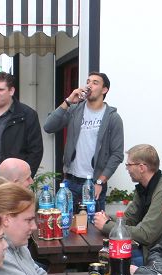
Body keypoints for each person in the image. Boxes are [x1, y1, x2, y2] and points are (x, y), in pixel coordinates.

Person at [43, 72, 124, 212]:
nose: (89, 85)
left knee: (93, 223)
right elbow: (49, 127)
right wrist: (68, 101)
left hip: (94, 183)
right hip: (70, 181)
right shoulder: (74, 110)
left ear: (104, 90)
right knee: (66, 221)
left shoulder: (112, 118)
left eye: (95, 82)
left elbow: (117, 154)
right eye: (88, 82)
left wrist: (100, 181)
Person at [93, 144, 162, 266]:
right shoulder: (144, 187)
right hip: (144, 250)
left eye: (129, 165)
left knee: (107, 258)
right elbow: (129, 219)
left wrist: (107, 225)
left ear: (141, 167)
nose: (127, 169)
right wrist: (108, 219)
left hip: (156, 257)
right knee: (104, 255)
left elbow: (146, 234)